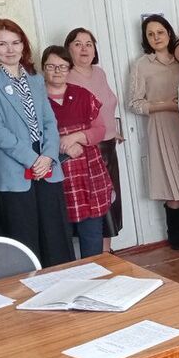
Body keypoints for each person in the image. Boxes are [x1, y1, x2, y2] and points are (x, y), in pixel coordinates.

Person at [0, 19, 73, 266]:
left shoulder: (35, 78)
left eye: (16, 43)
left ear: (23, 45)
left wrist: (48, 156)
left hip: (47, 162)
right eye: (2, 44)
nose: (10, 49)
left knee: (56, 235)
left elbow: (49, 121)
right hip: (16, 164)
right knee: (25, 239)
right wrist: (32, 159)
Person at [128, 15, 179, 251]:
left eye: (160, 32)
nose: (156, 37)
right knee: (173, 190)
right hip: (161, 128)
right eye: (150, 34)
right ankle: (175, 237)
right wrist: (165, 105)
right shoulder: (141, 65)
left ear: (169, 33)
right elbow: (135, 103)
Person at [42, 46, 111, 258]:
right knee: (59, 236)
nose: (57, 71)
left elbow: (100, 130)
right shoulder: (36, 100)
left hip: (88, 174)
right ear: (43, 69)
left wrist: (76, 137)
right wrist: (62, 147)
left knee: (91, 233)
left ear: (69, 69)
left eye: (63, 67)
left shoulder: (82, 94)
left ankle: (95, 272)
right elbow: (32, 138)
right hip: (55, 174)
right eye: (51, 66)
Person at [66, 28, 123, 250]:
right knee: (96, 203)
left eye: (89, 44)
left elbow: (105, 106)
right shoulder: (67, 76)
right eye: (78, 44)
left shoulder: (99, 73)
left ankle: (107, 251)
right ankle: (100, 254)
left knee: (111, 199)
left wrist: (113, 130)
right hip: (88, 149)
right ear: (68, 49)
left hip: (108, 146)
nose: (84, 49)